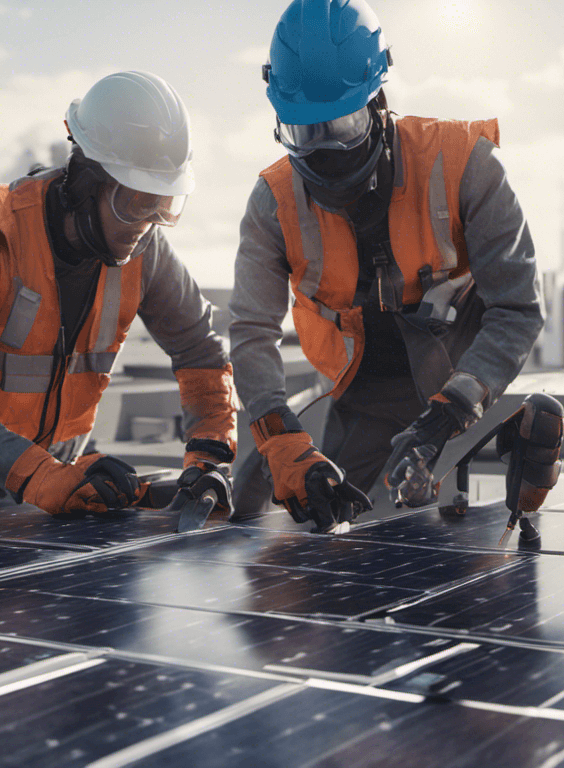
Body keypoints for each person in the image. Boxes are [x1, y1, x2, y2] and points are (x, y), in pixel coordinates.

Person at [229, 0, 544, 532]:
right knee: (316, 518)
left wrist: (451, 409)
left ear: (378, 103)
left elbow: (516, 307)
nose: (326, 151)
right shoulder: (273, 202)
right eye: (305, 132)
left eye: (343, 125)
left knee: (443, 527)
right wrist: (280, 439)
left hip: (464, 370)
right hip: (363, 391)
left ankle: (521, 429)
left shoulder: (466, 165)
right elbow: (252, 330)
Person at [0, 71, 239, 517]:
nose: (146, 224)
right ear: (88, 180)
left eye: (163, 206)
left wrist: (208, 460)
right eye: (133, 203)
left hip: (50, 501)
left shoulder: (145, 248)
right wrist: (38, 474)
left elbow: (201, 352)